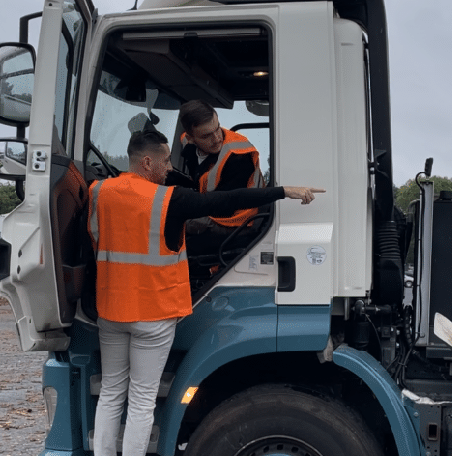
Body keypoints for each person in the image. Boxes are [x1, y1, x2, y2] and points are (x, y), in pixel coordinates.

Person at [88, 130, 324, 456]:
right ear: (147, 162)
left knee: (112, 392)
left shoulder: (99, 191)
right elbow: (226, 200)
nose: (169, 167)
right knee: (142, 399)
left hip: (111, 310)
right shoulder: (170, 199)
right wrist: (284, 191)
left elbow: (95, 239)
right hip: (152, 315)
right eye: (165, 160)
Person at [173, 99, 265, 235]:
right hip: (213, 209)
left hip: (238, 222)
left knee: (174, 223)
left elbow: (225, 206)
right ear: (191, 138)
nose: (216, 138)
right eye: (207, 136)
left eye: (217, 129)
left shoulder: (239, 156)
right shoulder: (188, 144)